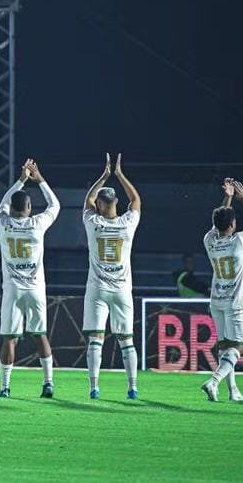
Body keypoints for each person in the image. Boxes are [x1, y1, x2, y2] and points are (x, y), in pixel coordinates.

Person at [0, 159, 61, 399]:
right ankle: (48, 383)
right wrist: (39, 178)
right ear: (30, 208)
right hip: (35, 288)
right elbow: (55, 205)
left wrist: (21, 179)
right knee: (40, 334)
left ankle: (5, 387)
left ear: (12, 207)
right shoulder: (37, 224)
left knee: (10, 338)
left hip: (12, 289)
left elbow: (2, 205)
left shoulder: (3, 223)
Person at [82, 153, 142, 400]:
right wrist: (119, 174)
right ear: (115, 201)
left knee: (96, 338)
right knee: (126, 340)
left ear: (99, 204)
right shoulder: (128, 223)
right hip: (122, 290)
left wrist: (104, 175)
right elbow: (136, 199)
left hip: (98, 290)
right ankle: (133, 388)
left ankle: (94, 387)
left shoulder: (92, 222)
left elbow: (88, 200)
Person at [201, 178, 243, 402]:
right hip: (236, 303)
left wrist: (228, 197)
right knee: (237, 346)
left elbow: (219, 220)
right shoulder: (239, 241)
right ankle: (214, 381)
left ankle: (233, 390)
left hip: (217, 301)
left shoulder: (209, 240)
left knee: (225, 346)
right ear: (232, 225)